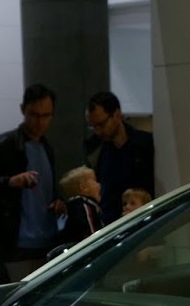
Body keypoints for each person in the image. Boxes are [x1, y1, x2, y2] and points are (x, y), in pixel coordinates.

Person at [0, 83, 64, 281]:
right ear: (23, 110)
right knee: (16, 297)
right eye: (34, 115)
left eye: (46, 115)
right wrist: (9, 182)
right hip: (16, 245)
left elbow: (47, 189)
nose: (40, 122)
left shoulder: (47, 147)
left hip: (48, 242)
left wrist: (58, 200)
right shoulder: (4, 145)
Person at [84, 90, 156, 225]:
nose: (98, 131)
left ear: (116, 115)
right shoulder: (96, 149)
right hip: (109, 226)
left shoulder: (145, 144)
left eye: (101, 124)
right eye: (93, 127)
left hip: (140, 224)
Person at [58, 165, 104, 242]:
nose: (99, 185)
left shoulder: (75, 208)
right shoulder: (85, 208)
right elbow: (92, 236)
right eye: (95, 181)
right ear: (83, 187)